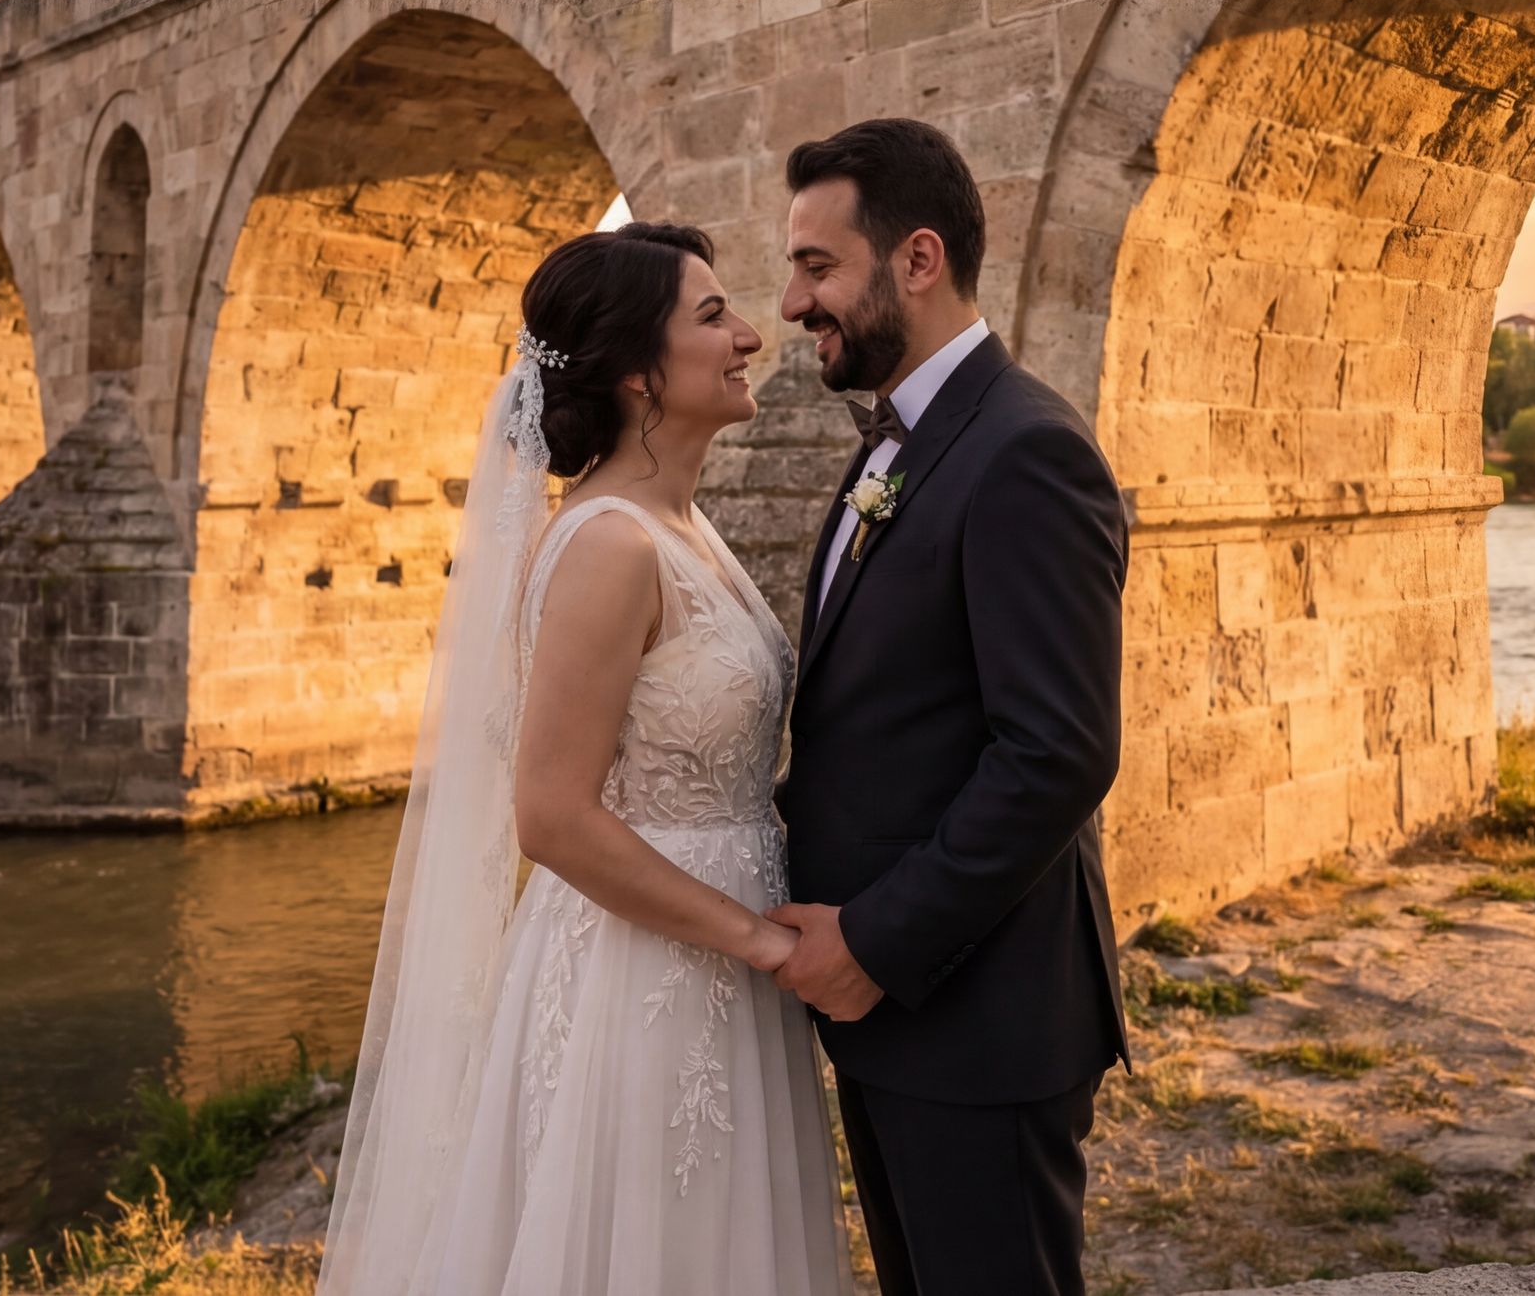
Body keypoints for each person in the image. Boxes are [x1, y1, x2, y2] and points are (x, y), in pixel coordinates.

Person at [319, 221, 845, 1296]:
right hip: (643, 981)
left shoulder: (678, 524)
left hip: (719, 965)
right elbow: (551, 815)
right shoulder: (608, 545)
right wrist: (754, 939)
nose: (750, 335)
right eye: (713, 317)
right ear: (639, 376)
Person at [772, 117, 1131, 1296]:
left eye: (818, 268)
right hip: (895, 1016)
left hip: (976, 1016)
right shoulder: (901, 441)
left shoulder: (1026, 451)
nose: (791, 304)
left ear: (915, 261)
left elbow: (1057, 754)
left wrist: (873, 944)